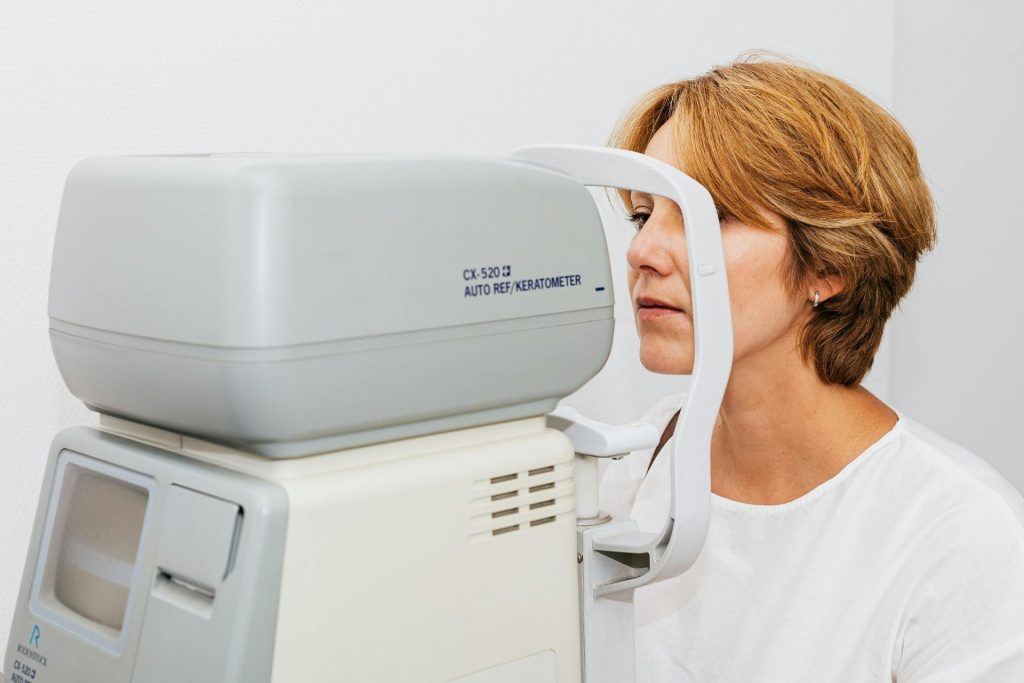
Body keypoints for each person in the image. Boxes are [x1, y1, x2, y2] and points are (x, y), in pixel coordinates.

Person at [600, 55, 1024, 681]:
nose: (641, 251)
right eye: (642, 214)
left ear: (830, 266)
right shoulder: (625, 481)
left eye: (711, 214)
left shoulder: (957, 533)